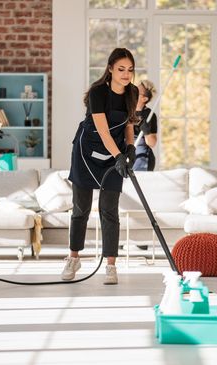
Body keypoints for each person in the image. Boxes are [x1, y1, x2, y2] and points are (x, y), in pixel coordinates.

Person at [62, 48, 138, 285]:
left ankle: (111, 265)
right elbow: (103, 130)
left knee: (109, 211)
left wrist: (130, 148)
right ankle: (74, 258)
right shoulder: (98, 93)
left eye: (130, 70)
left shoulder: (132, 92)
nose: (126, 75)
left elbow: (128, 124)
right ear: (110, 69)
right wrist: (119, 156)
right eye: (121, 69)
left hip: (113, 152)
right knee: (80, 209)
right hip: (86, 152)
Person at [133, 80, 158, 171]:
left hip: (142, 158)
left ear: (144, 98)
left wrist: (146, 131)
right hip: (126, 154)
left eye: (137, 92)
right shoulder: (125, 111)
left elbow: (152, 143)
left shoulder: (149, 115)